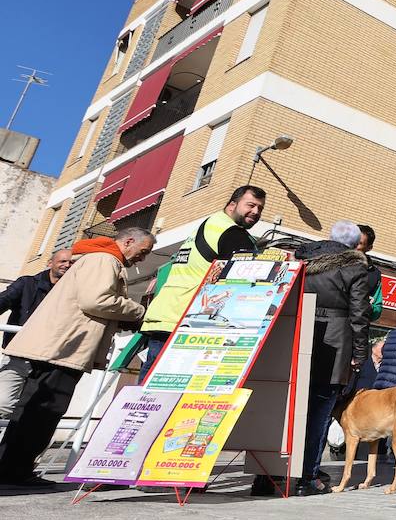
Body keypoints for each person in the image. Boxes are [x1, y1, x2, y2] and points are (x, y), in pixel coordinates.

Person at [0, 229, 153, 487]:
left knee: (33, 410)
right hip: (65, 347)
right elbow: (96, 300)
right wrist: (139, 310)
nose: (142, 259)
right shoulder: (105, 260)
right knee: (44, 412)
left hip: (58, 345)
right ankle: (15, 471)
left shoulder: (97, 258)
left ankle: (11, 468)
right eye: (143, 252)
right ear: (128, 242)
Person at [139, 185, 264, 379]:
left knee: (146, 394)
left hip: (169, 315)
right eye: (251, 205)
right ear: (232, 205)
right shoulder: (232, 233)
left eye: (260, 208)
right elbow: (246, 281)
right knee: (171, 393)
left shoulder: (210, 224)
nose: (255, 212)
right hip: (190, 320)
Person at [295, 221, 373, 496]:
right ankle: (307, 477)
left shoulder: (301, 258)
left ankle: (269, 474)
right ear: (355, 245)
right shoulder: (355, 267)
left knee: (288, 409)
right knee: (319, 411)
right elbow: (359, 315)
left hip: (295, 336)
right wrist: (360, 355)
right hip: (335, 342)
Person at [0, 249, 73, 419]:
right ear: (50, 263)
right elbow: (5, 299)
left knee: (32, 412)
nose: (67, 265)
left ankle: (11, 443)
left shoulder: (75, 292)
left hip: (50, 359)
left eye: (71, 263)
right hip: (19, 353)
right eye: (63, 261)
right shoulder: (27, 284)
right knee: (2, 403)